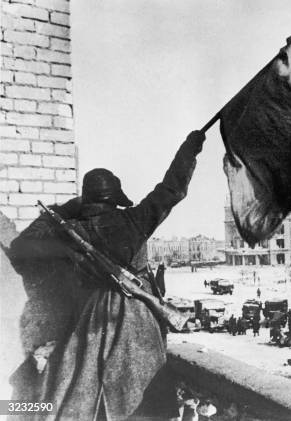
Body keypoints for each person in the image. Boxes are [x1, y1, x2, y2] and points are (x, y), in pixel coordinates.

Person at [9, 130, 207, 420]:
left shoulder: (74, 230)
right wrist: (189, 151)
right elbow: (171, 189)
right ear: (115, 197)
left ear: (87, 198)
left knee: (75, 392)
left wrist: (67, 216)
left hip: (93, 319)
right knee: (147, 402)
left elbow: (20, 247)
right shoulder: (134, 219)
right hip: (139, 322)